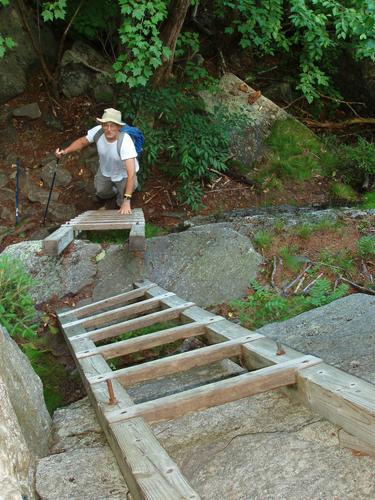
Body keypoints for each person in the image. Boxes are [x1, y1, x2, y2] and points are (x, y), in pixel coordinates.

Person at [55, 108, 139, 215]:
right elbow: (82, 142)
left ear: (118, 127)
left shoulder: (125, 142)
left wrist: (127, 201)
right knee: (101, 192)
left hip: (124, 175)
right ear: (102, 125)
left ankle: (120, 199)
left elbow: (131, 174)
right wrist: (64, 152)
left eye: (112, 125)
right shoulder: (98, 132)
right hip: (105, 170)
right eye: (105, 125)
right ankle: (114, 193)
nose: (108, 129)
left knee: (123, 201)